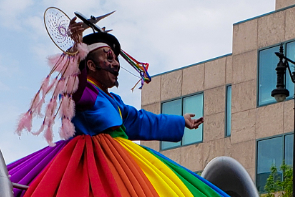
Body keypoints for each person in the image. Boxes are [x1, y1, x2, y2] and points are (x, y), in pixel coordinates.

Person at [71, 30, 203, 140]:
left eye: (116, 59)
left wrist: (180, 121)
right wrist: (77, 56)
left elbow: (142, 121)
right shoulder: (84, 92)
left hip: (116, 159)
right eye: (109, 59)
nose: (117, 64)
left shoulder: (115, 102)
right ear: (91, 65)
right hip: (92, 163)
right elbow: (72, 89)